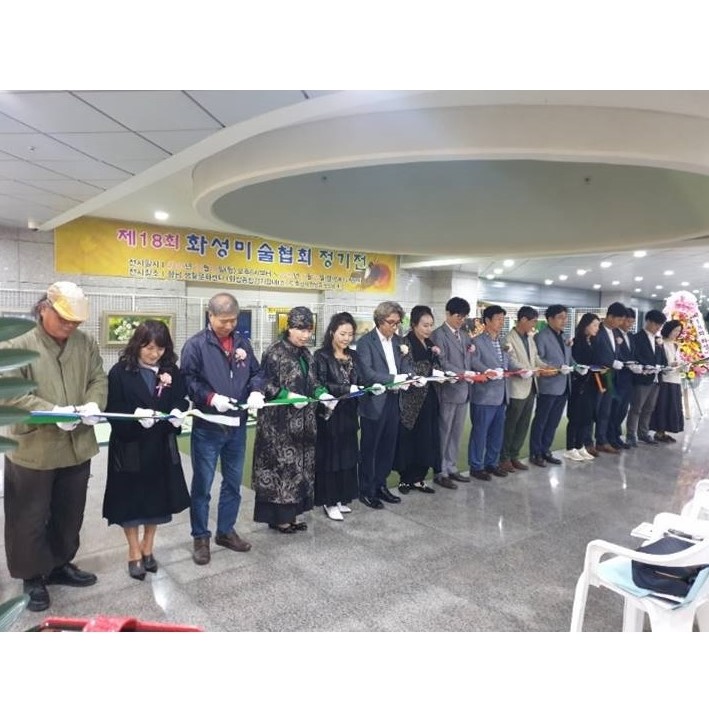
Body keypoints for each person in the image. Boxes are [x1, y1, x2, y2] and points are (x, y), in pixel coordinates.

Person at [0, 281, 107, 612]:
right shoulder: (17, 342)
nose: (70, 326)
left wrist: (93, 403)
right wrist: (52, 412)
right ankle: (31, 576)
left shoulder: (85, 343)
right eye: (63, 319)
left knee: (68, 512)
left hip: (77, 445)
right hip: (34, 448)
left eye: (76, 321)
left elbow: (98, 378)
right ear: (44, 308)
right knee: (28, 516)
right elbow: (10, 392)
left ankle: (60, 564)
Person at [102, 320, 191, 580]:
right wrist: (135, 415)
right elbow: (112, 408)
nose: (154, 354)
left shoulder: (170, 370)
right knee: (130, 502)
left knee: (157, 501)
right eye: (149, 348)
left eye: (160, 349)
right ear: (137, 345)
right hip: (130, 445)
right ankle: (133, 551)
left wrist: (178, 412)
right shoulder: (120, 372)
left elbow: (180, 398)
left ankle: (148, 547)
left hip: (160, 444)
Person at [181, 293, 265, 565]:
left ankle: (226, 531)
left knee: (233, 482)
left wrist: (256, 391)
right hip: (208, 426)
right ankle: (200, 537)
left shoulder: (242, 342)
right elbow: (188, 380)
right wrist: (210, 398)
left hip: (237, 426)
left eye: (233, 320)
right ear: (210, 316)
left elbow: (256, 372)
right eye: (223, 321)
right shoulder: (196, 345)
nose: (229, 326)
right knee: (203, 485)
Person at [252, 306, 322, 533]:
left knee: (299, 471)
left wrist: (322, 394)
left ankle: (292, 516)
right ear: (289, 328)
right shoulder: (274, 352)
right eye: (300, 329)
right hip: (278, 426)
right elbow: (263, 383)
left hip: (304, 425)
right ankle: (279, 519)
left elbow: (313, 381)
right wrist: (287, 396)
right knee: (281, 470)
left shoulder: (306, 354)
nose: (305, 335)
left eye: (308, 330)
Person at [356, 301, 414, 508]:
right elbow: (367, 373)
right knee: (370, 448)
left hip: (394, 399)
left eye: (398, 323)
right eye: (391, 322)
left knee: (388, 447)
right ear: (380, 321)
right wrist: (394, 379)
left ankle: (381, 485)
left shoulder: (399, 341)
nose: (395, 327)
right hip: (374, 400)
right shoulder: (366, 342)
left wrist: (409, 377)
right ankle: (366, 490)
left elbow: (407, 364)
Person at [313, 312, 361, 521]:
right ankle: (329, 501)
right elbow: (320, 384)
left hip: (349, 412)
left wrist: (367, 387)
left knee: (347, 456)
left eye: (350, 334)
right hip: (330, 414)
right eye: (342, 334)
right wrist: (346, 388)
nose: (346, 338)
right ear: (332, 332)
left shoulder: (354, 356)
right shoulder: (321, 356)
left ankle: (342, 497)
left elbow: (361, 379)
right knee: (331, 458)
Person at [468, 304, 522, 481]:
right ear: (487, 321)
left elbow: (508, 363)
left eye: (503, 319)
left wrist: (521, 370)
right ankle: (476, 466)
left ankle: (491, 463)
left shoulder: (502, 342)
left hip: (501, 395)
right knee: (480, 433)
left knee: (497, 433)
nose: (501, 322)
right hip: (484, 395)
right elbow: (473, 362)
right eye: (498, 319)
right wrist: (488, 371)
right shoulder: (477, 342)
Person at [393, 305, 441, 495]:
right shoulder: (405, 343)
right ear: (414, 324)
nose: (428, 329)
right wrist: (424, 372)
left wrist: (440, 373)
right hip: (411, 400)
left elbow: (437, 366)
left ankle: (419, 478)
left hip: (429, 396)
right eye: (424, 325)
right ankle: (405, 479)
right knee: (409, 439)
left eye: (431, 325)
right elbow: (406, 367)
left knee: (426, 439)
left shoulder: (430, 344)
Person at [499, 306, 552, 474]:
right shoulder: (508, 338)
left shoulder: (530, 338)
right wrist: (531, 370)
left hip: (531, 387)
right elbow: (511, 361)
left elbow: (535, 358)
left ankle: (514, 455)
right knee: (511, 424)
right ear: (523, 320)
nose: (534, 325)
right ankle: (504, 457)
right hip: (517, 388)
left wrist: (545, 367)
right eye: (533, 321)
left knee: (523, 424)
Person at [430, 296, 475, 489]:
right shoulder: (438, 335)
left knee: (456, 432)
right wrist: (463, 373)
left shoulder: (464, 335)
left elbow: (469, 358)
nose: (461, 320)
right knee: (444, 432)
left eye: (464, 317)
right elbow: (442, 362)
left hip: (464, 390)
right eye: (458, 316)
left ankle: (451, 466)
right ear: (448, 313)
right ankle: (440, 471)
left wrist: (472, 372)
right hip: (447, 391)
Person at [529, 304, 573, 467]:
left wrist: (576, 366)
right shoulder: (541, 337)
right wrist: (556, 368)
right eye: (560, 317)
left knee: (554, 421)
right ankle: (535, 452)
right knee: (541, 420)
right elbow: (538, 360)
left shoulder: (564, 336)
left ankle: (546, 450)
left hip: (564, 384)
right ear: (550, 319)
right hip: (548, 385)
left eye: (565, 317)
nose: (564, 321)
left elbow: (569, 359)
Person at [626, 309, 668, 446]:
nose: (658, 328)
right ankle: (631, 435)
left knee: (649, 408)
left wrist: (663, 366)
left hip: (656, 378)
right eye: (656, 324)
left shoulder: (657, 340)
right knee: (636, 408)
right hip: (642, 378)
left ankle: (643, 433)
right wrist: (645, 366)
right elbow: (634, 357)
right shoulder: (636, 338)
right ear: (648, 321)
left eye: (660, 325)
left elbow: (662, 358)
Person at [590, 301, 628, 454]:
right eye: (619, 319)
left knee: (606, 410)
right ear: (610, 316)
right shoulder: (597, 330)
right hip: (598, 377)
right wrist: (611, 362)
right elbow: (595, 353)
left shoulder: (616, 332)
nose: (620, 323)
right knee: (594, 410)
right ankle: (588, 442)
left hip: (612, 377)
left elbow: (616, 352)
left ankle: (602, 440)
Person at [564, 314, 601, 461]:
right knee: (575, 417)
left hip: (592, 383)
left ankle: (580, 445)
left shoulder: (593, 341)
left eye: (598, 325)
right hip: (579, 384)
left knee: (587, 417)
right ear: (586, 325)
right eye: (594, 325)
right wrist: (580, 369)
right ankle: (570, 447)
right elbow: (574, 362)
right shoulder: (577, 342)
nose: (597, 328)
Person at [650, 319, 684, 443]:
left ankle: (664, 432)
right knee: (662, 406)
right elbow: (659, 361)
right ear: (668, 329)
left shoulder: (676, 345)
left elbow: (678, 360)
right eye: (675, 330)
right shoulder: (660, 343)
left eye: (679, 331)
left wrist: (682, 365)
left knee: (672, 406)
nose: (676, 333)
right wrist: (671, 364)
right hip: (664, 379)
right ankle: (659, 432)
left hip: (675, 379)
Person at [608, 307, 636, 450]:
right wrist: (625, 363)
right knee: (614, 409)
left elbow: (633, 354)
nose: (629, 325)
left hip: (629, 378)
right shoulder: (613, 333)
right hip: (617, 378)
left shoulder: (630, 336)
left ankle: (617, 435)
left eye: (632, 322)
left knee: (623, 410)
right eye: (627, 321)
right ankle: (610, 437)